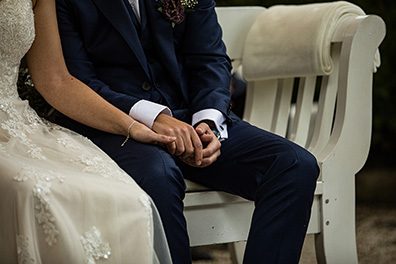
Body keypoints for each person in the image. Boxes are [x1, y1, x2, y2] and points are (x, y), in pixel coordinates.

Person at [55, 0, 320, 263]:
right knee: (159, 174)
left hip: (191, 116)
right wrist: (153, 118)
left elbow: (210, 58)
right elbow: (76, 81)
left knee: (294, 164)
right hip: (115, 124)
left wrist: (208, 123)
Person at [0, 0, 174, 263]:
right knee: (33, 190)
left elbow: (56, 80)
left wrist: (132, 126)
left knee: (127, 196)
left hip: (19, 126)